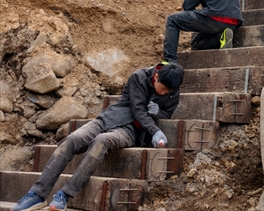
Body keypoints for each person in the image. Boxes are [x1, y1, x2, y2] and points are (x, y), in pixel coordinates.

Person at [12, 62, 184, 211]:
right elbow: (138, 109)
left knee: (101, 141)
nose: (164, 94)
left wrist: (158, 112)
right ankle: (37, 194)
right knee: (71, 140)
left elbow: (167, 114)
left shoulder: (172, 92)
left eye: (169, 92)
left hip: (129, 131)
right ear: (156, 78)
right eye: (163, 89)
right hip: (107, 120)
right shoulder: (139, 77)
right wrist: (155, 130)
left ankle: (64, 194)